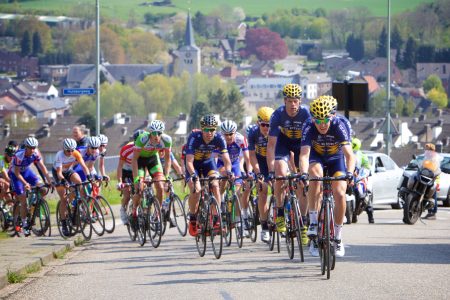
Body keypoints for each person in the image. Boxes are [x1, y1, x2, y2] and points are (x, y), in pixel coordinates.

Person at [299, 95, 355, 258]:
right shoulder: (308, 125)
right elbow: (304, 155)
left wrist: (350, 173)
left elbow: (349, 155)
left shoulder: (340, 124)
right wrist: (303, 174)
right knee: (315, 177)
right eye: (318, 121)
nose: (322, 125)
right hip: (316, 157)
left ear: (332, 117)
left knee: (339, 193)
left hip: (336, 159)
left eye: (325, 121)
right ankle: (314, 222)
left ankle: (337, 237)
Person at [267, 83, 310, 241]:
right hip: (283, 143)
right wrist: (271, 170)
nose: (293, 104)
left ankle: (304, 222)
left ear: (300, 101)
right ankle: (279, 211)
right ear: (284, 101)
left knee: (303, 183)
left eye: (296, 101)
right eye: (290, 101)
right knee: (279, 173)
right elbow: (271, 146)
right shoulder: (277, 115)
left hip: (301, 144)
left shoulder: (306, 113)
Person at [185, 114, 233, 237]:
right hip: (193, 165)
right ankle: (193, 219)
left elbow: (227, 160)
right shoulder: (194, 137)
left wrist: (228, 172)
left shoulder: (219, 138)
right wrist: (193, 176)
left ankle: (216, 218)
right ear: (202, 129)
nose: (209, 133)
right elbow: (189, 162)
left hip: (208, 163)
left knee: (215, 185)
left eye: (212, 129)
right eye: (206, 129)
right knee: (196, 190)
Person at [9, 137, 53, 236]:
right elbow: (17, 173)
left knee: (42, 188)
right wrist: (25, 183)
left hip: (27, 172)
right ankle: (24, 224)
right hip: (16, 175)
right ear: (26, 147)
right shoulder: (19, 155)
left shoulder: (35, 153)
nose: (32, 150)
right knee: (23, 201)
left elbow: (42, 167)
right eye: (30, 148)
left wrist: (49, 180)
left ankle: (34, 205)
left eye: (34, 147)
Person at [217, 120, 252, 237]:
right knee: (223, 179)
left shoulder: (240, 139)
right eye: (225, 134)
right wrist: (219, 173)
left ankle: (238, 222)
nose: (228, 137)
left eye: (230, 134)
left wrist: (249, 172)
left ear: (234, 132)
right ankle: (220, 201)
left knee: (238, 193)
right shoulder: (219, 140)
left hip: (235, 164)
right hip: (221, 163)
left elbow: (248, 158)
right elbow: (215, 158)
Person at [131, 120, 170, 221]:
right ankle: (134, 209)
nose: (156, 136)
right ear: (150, 133)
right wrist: (136, 179)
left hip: (153, 160)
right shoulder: (142, 139)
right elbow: (134, 159)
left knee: (160, 187)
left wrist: (167, 176)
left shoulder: (167, 140)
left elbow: (167, 159)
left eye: (159, 133)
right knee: (139, 189)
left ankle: (157, 212)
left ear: (162, 133)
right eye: (153, 133)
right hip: (140, 161)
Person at [52, 138, 91, 237]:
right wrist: (64, 181)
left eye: (72, 150)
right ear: (64, 149)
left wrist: (89, 176)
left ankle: (77, 205)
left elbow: (84, 166)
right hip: (59, 174)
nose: (70, 152)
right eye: (68, 150)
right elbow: (59, 173)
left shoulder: (76, 153)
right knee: (64, 200)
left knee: (79, 183)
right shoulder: (59, 155)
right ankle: (64, 223)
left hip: (69, 171)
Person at [247, 106, 274, 243]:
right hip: (260, 162)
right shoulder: (253, 133)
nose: (266, 127)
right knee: (262, 190)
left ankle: (284, 215)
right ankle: (264, 226)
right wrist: (257, 173)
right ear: (258, 123)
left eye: (269, 124)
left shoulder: (277, 131)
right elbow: (251, 156)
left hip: (274, 161)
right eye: (263, 124)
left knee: (283, 185)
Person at [117, 129, 144, 225]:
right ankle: (123, 210)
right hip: (127, 171)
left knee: (142, 190)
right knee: (127, 195)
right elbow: (120, 166)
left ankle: (141, 211)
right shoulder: (126, 149)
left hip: (139, 170)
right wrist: (120, 181)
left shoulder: (147, 148)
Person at [351, 137, 374, 223]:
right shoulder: (344, 154)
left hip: (360, 178)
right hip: (350, 178)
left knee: (366, 193)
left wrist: (362, 175)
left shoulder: (362, 156)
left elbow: (367, 168)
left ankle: (370, 215)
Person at [423, 143, 442, 220]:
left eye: (427, 149)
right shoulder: (427, 157)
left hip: (433, 178)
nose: (426, 150)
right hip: (427, 177)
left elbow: (435, 169)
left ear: (431, 150)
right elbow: (423, 165)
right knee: (428, 195)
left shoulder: (435, 157)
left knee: (433, 195)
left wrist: (437, 183)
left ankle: (433, 212)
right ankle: (429, 211)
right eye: (426, 149)